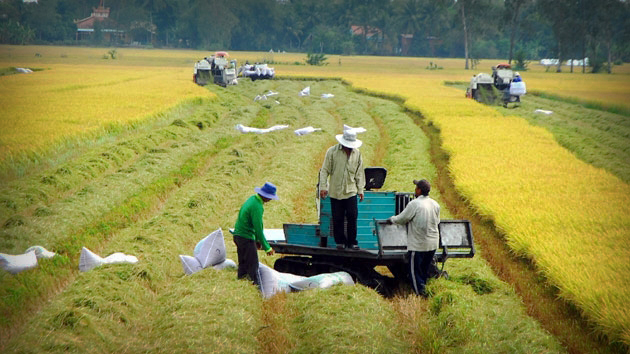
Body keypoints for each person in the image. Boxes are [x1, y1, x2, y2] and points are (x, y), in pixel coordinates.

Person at [386, 179, 440, 296]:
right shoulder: (435, 204)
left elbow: (402, 219)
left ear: (419, 190)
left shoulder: (414, 204)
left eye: (416, 188)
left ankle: (420, 294)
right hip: (433, 244)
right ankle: (425, 289)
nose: (415, 190)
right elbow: (438, 221)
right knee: (424, 269)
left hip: (418, 245)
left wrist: (391, 219)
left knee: (414, 272)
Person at [319, 129, 365, 250]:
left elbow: (359, 173)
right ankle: (340, 242)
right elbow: (325, 170)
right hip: (335, 191)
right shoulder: (332, 152)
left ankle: (352, 242)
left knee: (352, 216)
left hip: (351, 190)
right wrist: (323, 187)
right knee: (337, 218)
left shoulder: (357, 154)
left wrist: (360, 190)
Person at [232, 182, 278, 289]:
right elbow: (258, 228)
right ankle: (255, 289)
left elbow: (255, 226)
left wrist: (257, 241)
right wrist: (267, 247)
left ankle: (240, 286)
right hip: (246, 238)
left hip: (238, 236)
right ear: (265, 196)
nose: (270, 200)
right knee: (253, 267)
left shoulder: (252, 199)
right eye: (270, 198)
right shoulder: (257, 206)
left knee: (243, 264)